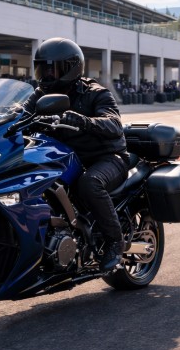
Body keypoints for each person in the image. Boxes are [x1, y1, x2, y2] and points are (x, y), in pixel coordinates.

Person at [23, 37, 128, 272]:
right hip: (67, 159)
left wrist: (85, 121)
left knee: (89, 183)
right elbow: (19, 114)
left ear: (72, 67)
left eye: (54, 68)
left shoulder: (96, 93)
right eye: (43, 67)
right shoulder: (39, 94)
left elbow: (114, 125)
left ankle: (114, 242)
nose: (47, 74)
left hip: (106, 158)